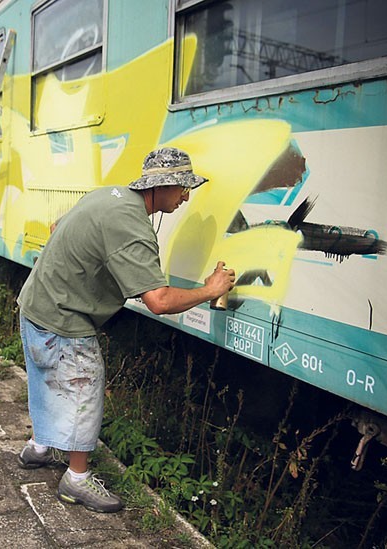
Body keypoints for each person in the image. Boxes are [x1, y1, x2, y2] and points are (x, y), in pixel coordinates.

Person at [16, 147, 235, 513]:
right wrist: (211, 290)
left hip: (36, 303)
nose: (186, 196)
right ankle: (77, 480)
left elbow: (59, 228)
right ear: (161, 185)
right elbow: (160, 301)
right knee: (84, 389)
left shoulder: (109, 196)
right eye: (182, 187)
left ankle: (39, 447)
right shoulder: (132, 225)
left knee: (45, 378)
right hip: (64, 318)